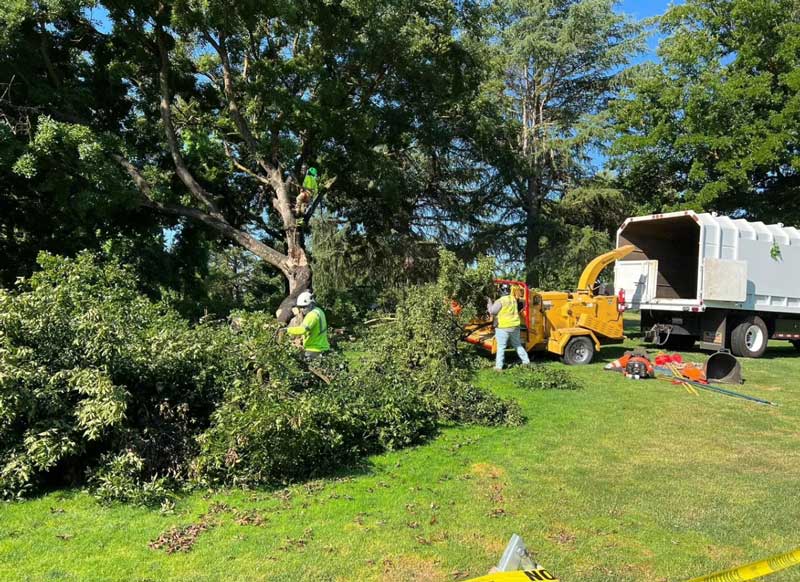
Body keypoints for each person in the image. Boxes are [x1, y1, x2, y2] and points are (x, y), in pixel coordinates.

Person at [487, 284, 530, 371]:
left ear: (501, 291)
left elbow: (492, 311)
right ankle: (526, 362)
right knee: (517, 345)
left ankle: (499, 367)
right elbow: (521, 305)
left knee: (501, 347)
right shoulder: (513, 299)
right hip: (515, 326)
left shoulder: (500, 301)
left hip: (503, 327)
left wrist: (489, 302)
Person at [286, 290, 330, 359]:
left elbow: (302, 330)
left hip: (314, 349)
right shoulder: (319, 311)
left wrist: (286, 330)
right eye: (300, 307)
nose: (302, 309)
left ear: (311, 304)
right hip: (322, 347)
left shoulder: (312, 315)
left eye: (304, 307)